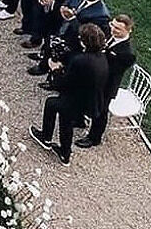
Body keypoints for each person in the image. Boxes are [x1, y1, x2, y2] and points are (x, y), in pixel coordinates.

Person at [31, 22, 109, 165]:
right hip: (89, 98)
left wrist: (55, 69)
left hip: (76, 99)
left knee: (52, 105)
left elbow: (64, 83)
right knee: (64, 119)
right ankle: (63, 153)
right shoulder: (101, 58)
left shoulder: (81, 60)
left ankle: (47, 138)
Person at [79, 15, 137, 147]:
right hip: (96, 78)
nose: (113, 30)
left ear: (128, 30)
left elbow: (113, 70)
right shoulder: (109, 34)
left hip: (107, 86)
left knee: (101, 112)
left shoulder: (128, 53)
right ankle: (80, 120)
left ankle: (94, 138)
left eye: (118, 29)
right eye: (113, 25)